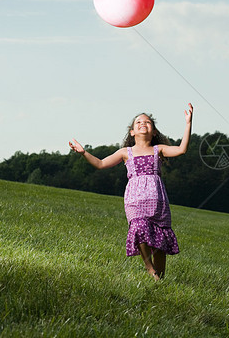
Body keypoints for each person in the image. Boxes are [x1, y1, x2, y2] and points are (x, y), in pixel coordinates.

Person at [69, 103, 193, 280]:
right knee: (139, 227)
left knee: (160, 237)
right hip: (135, 199)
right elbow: (101, 164)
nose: (143, 123)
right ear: (132, 132)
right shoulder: (125, 152)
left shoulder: (159, 150)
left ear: (154, 132)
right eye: (139, 122)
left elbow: (182, 149)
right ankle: (149, 268)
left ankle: (160, 280)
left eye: (148, 122)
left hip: (158, 201)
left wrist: (188, 123)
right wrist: (83, 152)